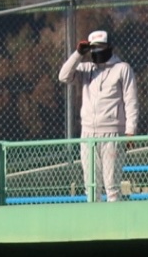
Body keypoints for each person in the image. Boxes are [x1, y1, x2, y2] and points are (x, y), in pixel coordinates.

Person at [60, 28, 139, 203]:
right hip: (88, 135)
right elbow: (63, 76)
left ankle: (114, 226)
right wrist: (78, 54)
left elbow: (131, 101)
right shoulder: (86, 69)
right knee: (91, 186)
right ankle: (95, 225)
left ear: (109, 47)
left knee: (112, 186)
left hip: (113, 135)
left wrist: (130, 131)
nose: (97, 51)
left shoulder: (122, 69)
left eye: (100, 47)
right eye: (93, 48)